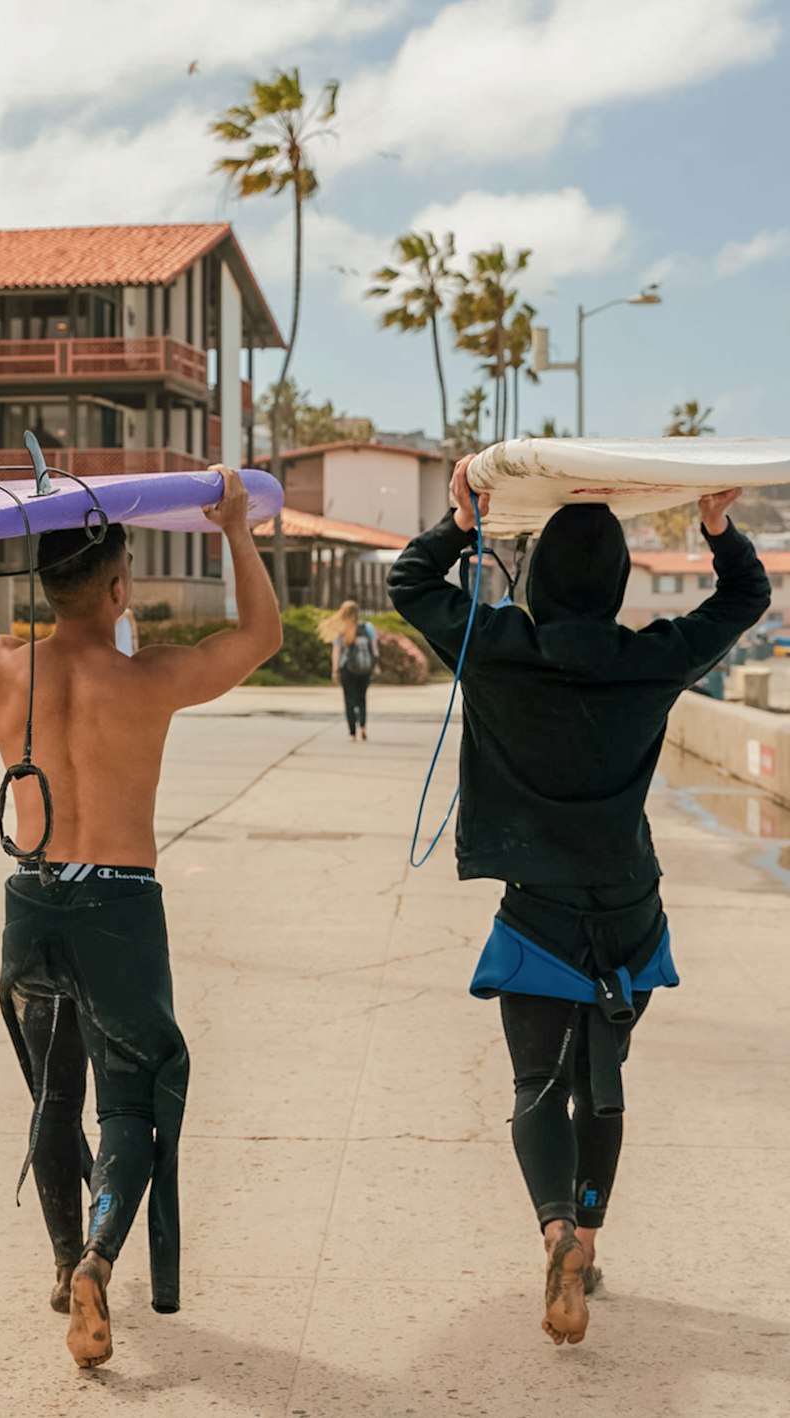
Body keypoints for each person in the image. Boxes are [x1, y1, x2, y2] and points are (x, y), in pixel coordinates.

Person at [388, 456, 770, 1348]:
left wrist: (460, 519)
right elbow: (743, 603)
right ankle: (589, 1243)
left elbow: (409, 582)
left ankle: (556, 1230)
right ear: (619, 583)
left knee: (536, 1084)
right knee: (603, 1085)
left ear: (545, 577)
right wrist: (717, 528)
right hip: (629, 912)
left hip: (540, 913)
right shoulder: (653, 658)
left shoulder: (496, 648)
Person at [0, 468, 281, 1369]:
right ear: (118, 589)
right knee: (138, 1093)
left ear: (43, 586)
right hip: (118, 904)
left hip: (32, 903)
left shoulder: (2, 667)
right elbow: (260, 635)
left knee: (53, 1089)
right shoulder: (149, 679)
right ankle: (96, 1257)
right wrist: (235, 530)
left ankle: (56, 1261)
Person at [320, 600, 380, 742]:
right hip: (365, 668)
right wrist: (376, 666)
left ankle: (352, 733)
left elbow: (336, 651)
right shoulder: (368, 627)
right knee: (362, 699)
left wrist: (335, 670)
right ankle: (363, 727)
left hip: (347, 668)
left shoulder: (342, 630)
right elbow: (375, 650)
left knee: (349, 700)